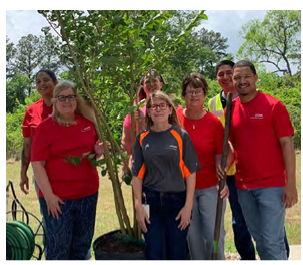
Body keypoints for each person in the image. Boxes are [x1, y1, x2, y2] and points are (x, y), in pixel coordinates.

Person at [223, 60, 298, 260]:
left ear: (256, 78)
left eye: (247, 76)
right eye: (237, 78)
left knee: (272, 240)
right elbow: (230, 145)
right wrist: (223, 167)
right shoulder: (231, 108)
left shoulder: (274, 106)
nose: (242, 81)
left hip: (272, 186)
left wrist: (291, 184)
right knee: (260, 240)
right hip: (243, 186)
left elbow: (287, 145)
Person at [31, 80, 106, 260]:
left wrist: (98, 152)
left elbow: (93, 155)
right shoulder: (45, 128)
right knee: (59, 248)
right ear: (55, 101)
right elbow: (37, 164)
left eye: (70, 97)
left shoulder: (87, 123)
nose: (67, 101)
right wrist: (49, 197)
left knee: (82, 246)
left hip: (87, 194)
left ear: (76, 99)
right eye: (62, 97)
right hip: (58, 199)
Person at [131, 91, 200, 260]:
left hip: (176, 202)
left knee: (177, 252)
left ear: (170, 110)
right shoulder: (142, 138)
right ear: (148, 111)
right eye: (153, 106)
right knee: (154, 251)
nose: (158, 109)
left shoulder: (181, 136)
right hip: (151, 202)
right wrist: (138, 207)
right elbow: (137, 176)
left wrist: (188, 207)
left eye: (162, 105)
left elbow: (191, 174)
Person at [176, 73, 230, 260]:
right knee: (192, 236)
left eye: (198, 91)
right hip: (182, 188)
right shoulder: (174, 120)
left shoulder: (213, 123)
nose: (194, 95)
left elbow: (224, 154)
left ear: (205, 93)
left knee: (213, 234)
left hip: (209, 187)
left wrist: (223, 178)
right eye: (190, 91)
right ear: (184, 95)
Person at [20, 69, 58, 196]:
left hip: (65, 170)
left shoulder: (66, 106)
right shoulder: (31, 110)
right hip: (40, 172)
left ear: (55, 83)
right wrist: (23, 173)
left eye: (46, 80)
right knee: (46, 213)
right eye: (38, 82)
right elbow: (27, 145)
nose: (42, 84)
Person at [121, 72, 163, 174]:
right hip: (142, 168)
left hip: (167, 166)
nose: (151, 84)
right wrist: (125, 168)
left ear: (161, 84)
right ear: (143, 86)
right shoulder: (136, 108)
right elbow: (126, 141)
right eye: (147, 81)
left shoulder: (173, 107)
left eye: (154, 80)